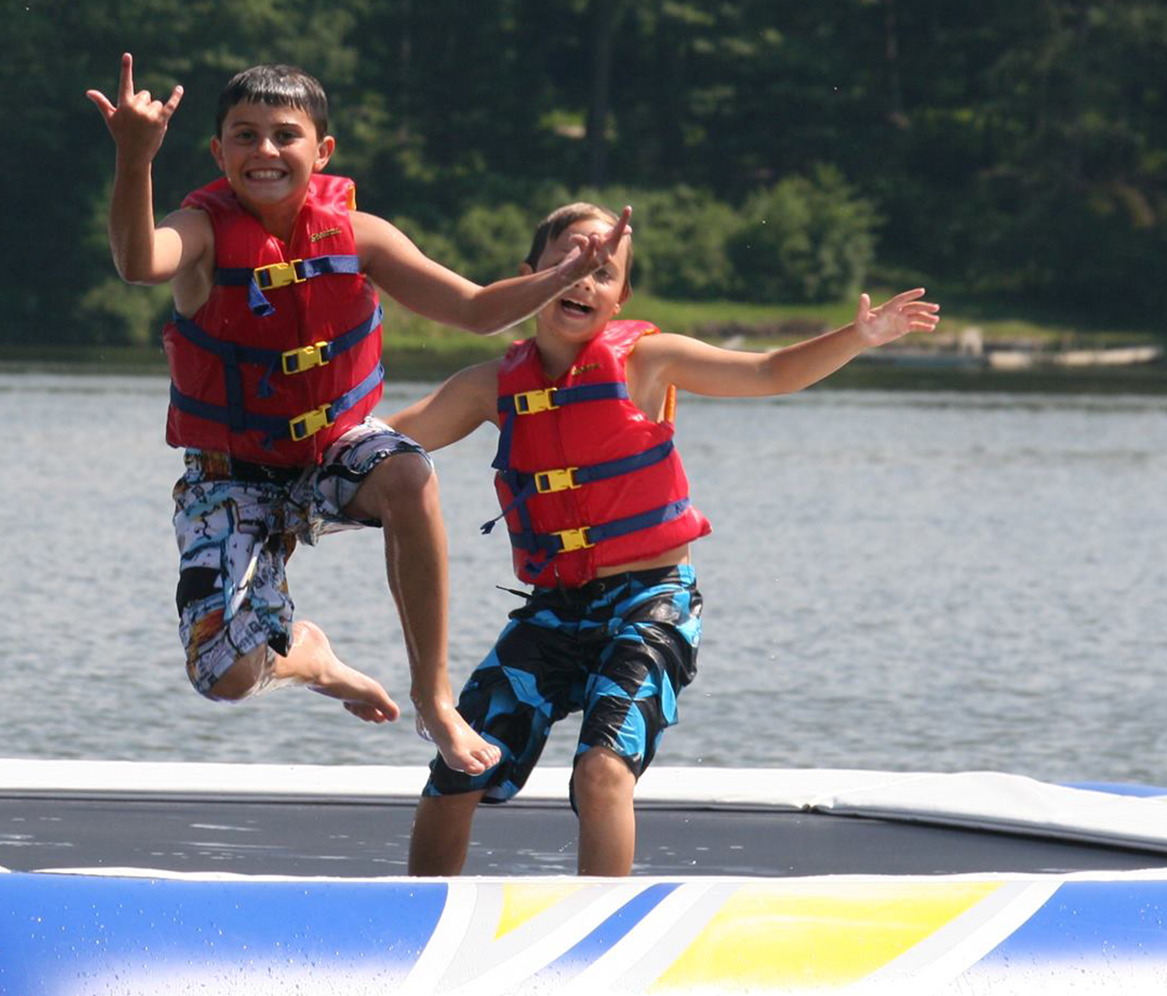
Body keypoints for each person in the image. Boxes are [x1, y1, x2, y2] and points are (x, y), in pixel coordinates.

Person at [86, 57, 629, 775]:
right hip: (230, 476)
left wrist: (558, 275)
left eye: (286, 135)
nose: (267, 152)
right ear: (219, 153)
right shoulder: (202, 232)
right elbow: (137, 261)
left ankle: (434, 698)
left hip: (329, 451)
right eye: (245, 137)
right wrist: (134, 160)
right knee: (224, 676)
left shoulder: (360, 235)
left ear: (323, 151)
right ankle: (306, 661)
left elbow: (470, 310)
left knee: (407, 471)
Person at [388, 202, 939, 871]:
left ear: (622, 296)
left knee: (600, 773)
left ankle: (599, 940)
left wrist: (857, 337)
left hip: (650, 604)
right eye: (569, 263)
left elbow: (767, 372)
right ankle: (415, 921)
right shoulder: (490, 387)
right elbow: (388, 440)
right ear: (529, 277)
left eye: (603, 271)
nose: (584, 281)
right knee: (458, 768)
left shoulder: (646, 361)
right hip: (554, 609)